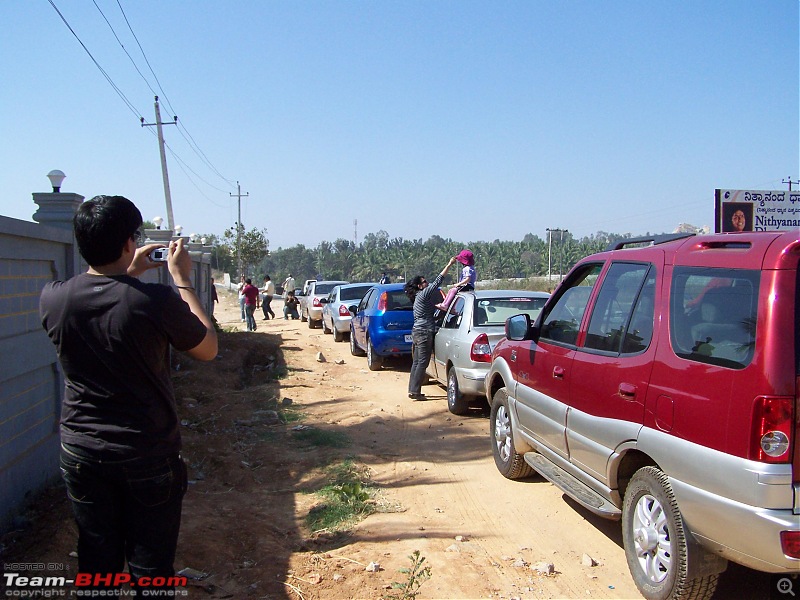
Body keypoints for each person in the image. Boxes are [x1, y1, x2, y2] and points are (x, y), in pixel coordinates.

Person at [39, 195, 217, 593]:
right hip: (146, 454)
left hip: (81, 452)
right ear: (127, 243)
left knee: (96, 562)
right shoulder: (154, 302)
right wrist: (182, 279)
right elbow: (207, 347)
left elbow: (106, 302)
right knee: (150, 570)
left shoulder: (53, 297)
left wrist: (128, 270)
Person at [404, 256, 458, 400]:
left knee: (417, 362)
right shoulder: (423, 294)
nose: (427, 283)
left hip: (417, 331)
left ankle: (413, 390)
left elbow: (431, 315)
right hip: (424, 332)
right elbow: (438, 281)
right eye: (424, 281)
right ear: (420, 286)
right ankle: (415, 391)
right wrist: (449, 264)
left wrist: (443, 312)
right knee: (422, 362)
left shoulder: (418, 299)